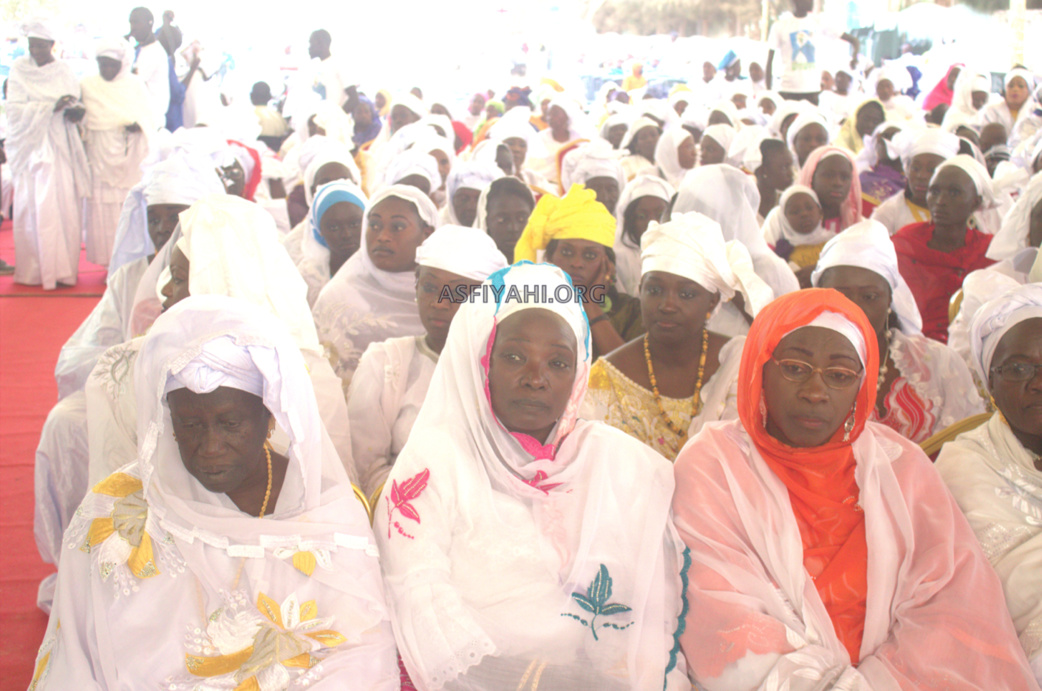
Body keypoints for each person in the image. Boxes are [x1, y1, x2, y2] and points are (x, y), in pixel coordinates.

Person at [673, 287, 1040, 690]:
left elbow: (951, 604)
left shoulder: (899, 466)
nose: (815, 392)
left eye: (840, 375)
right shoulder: (713, 466)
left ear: (861, 386)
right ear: (759, 368)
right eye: (794, 368)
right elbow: (722, 615)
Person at [30, 296, 399, 689]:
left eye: (230, 423)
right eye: (189, 425)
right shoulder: (115, 514)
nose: (210, 446)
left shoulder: (326, 516)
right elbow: (77, 662)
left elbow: (360, 656)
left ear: (269, 415)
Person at [374, 261, 691, 691]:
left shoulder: (621, 465)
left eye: (558, 363)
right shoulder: (434, 462)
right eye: (515, 356)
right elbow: (418, 596)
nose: (536, 378)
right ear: (482, 362)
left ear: (578, 375)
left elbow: (651, 615)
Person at [85, 194, 355, 500]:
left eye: (177, 278)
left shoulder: (309, 377)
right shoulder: (133, 366)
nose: (164, 290)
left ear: (217, 290)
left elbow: (325, 491)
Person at [583, 213, 772, 461]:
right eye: (654, 290)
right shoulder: (602, 381)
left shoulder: (738, 364)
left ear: (712, 301)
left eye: (686, 294)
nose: (667, 305)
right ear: (640, 292)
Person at [349, 226, 507, 497]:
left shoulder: (507, 372)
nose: (439, 302)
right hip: (401, 514)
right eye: (430, 287)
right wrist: (428, 515)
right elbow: (367, 468)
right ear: (416, 287)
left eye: (459, 293)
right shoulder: (386, 364)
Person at [936, 284, 1042, 683]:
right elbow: (1010, 579)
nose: (1037, 382)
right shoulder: (965, 462)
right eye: (1018, 368)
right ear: (989, 385)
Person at [813, 219, 985, 443]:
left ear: (889, 302)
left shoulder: (938, 363)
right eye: (840, 295)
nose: (854, 309)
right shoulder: (799, 367)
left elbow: (968, 446)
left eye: (870, 297)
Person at [312, 185, 438, 388]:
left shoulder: (447, 295)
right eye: (375, 225)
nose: (383, 236)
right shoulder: (338, 297)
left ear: (427, 234)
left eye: (397, 227)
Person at [7, 20, 91, 289]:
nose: (35, 51)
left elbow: (76, 103)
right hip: (32, 148)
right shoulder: (20, 69)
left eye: (41, 46)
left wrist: (73, 111)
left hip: (60, 145)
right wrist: (50, 107)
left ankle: (63, 270)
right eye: (32, 46)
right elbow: (14, 109)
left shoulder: (64, 70)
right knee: (33, 206)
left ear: (52, 45)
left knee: (62, 203)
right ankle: (33, 272)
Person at [515, 185, 643, 359]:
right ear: (550, 257)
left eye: (590, 255)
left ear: (608, 264)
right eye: (566, 252)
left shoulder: (629, 311)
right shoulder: (531, 305)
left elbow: (628, 373)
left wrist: (590, 304)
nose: (576, 263)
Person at [893, 155, 996, 342]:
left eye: (954, 192)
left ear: (975, 202)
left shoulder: (989, 252)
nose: (940, 201)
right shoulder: (905, 243)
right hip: (906, 348)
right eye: (935, 191)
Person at [674, 164, 799, 310]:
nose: (698, 221)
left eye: (710, 212)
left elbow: (790, 327)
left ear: (735, 216)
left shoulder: (769, 269)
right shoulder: (678, 264)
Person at [79, 37, 153, 267]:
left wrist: (138, 125)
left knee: (127, 206)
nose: (106, 69)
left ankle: (129, 264)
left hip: (129, 156)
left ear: (121, 64)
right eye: (102, 63)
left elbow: (149, 118)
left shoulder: (135, 85)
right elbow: (83, 119)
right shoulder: (88, 85)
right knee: (102, 207)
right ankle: (107, 262)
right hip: (99, 156)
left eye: (110, 64)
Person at [765, 0, 859, 105]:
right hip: (787, 90)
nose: (811, 1)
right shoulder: (780, 26)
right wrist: (769, 94)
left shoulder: (819, 22)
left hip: (812, 90)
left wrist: (855, 56)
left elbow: (854, 41)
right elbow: (769, 61)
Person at [870, 128, 960, 235]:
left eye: (932, 170)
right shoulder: (888, 213)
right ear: (907, 169)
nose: (921, 176)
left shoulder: (960, 212)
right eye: (915, 168)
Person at [297, 180, 367, 307]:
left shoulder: (381, 271)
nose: (346, 234)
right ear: (319, 231)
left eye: (354, 224)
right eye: (333, 227)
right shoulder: (308, 277)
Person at [613, 175, 675, 297]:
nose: (652, 223)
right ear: (629, 221)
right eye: (642, 216)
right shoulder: (618, 258)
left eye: (660, 214)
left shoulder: (681, 255)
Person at [763, 185, 830, 285]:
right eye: (795, 211)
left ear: (820, 211)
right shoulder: (781, 252)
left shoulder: (833, 243)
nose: (804, 214)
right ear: (784, 219)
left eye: (809, 208)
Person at [797, 145, 863, 232]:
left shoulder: (860, 228)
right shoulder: (784, 221)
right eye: (829, 175)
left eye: (844, 177)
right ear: (811, 177)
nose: (838, 183)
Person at [475, 175, 536, 262]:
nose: (514, 228)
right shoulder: (472, 270)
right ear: (485, 221)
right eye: (502, 220)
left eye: (521, 218)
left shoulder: (548, 268)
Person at [128, 8, 170, 129]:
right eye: (131, 23)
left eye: (136, 22)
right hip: (143, 119)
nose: (133, 27)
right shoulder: (141, 50)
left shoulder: (154, 51)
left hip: (151, 121)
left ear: (149, 23)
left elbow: (132, 83)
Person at [857, 122, 905, 217]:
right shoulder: (863, 174)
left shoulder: (910, 184)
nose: (885, 141)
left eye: (894, 137)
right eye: (884, 136)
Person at [977, 68, 1037, 143]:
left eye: (1020, 86)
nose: (1015, 89)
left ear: (1029, 90)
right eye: (1011, 86)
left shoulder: (1035, 113)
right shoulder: (992, 110)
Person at [441, 160, 503, 226]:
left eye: (479, 200)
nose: (471, 207)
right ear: (452, 202)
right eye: (463, 199)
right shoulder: (438, 231)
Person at [752, 138, 796, 218]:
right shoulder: (746, 205)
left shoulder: (788, 204)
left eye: (791, 166)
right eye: (784, 168)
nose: (791, 174)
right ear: (763, 170)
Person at [618, 117, 662, 181]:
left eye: (653, 135)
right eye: (643, 137)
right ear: (636, 145)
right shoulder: (626, 163)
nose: (650, 140)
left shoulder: (667, 160)